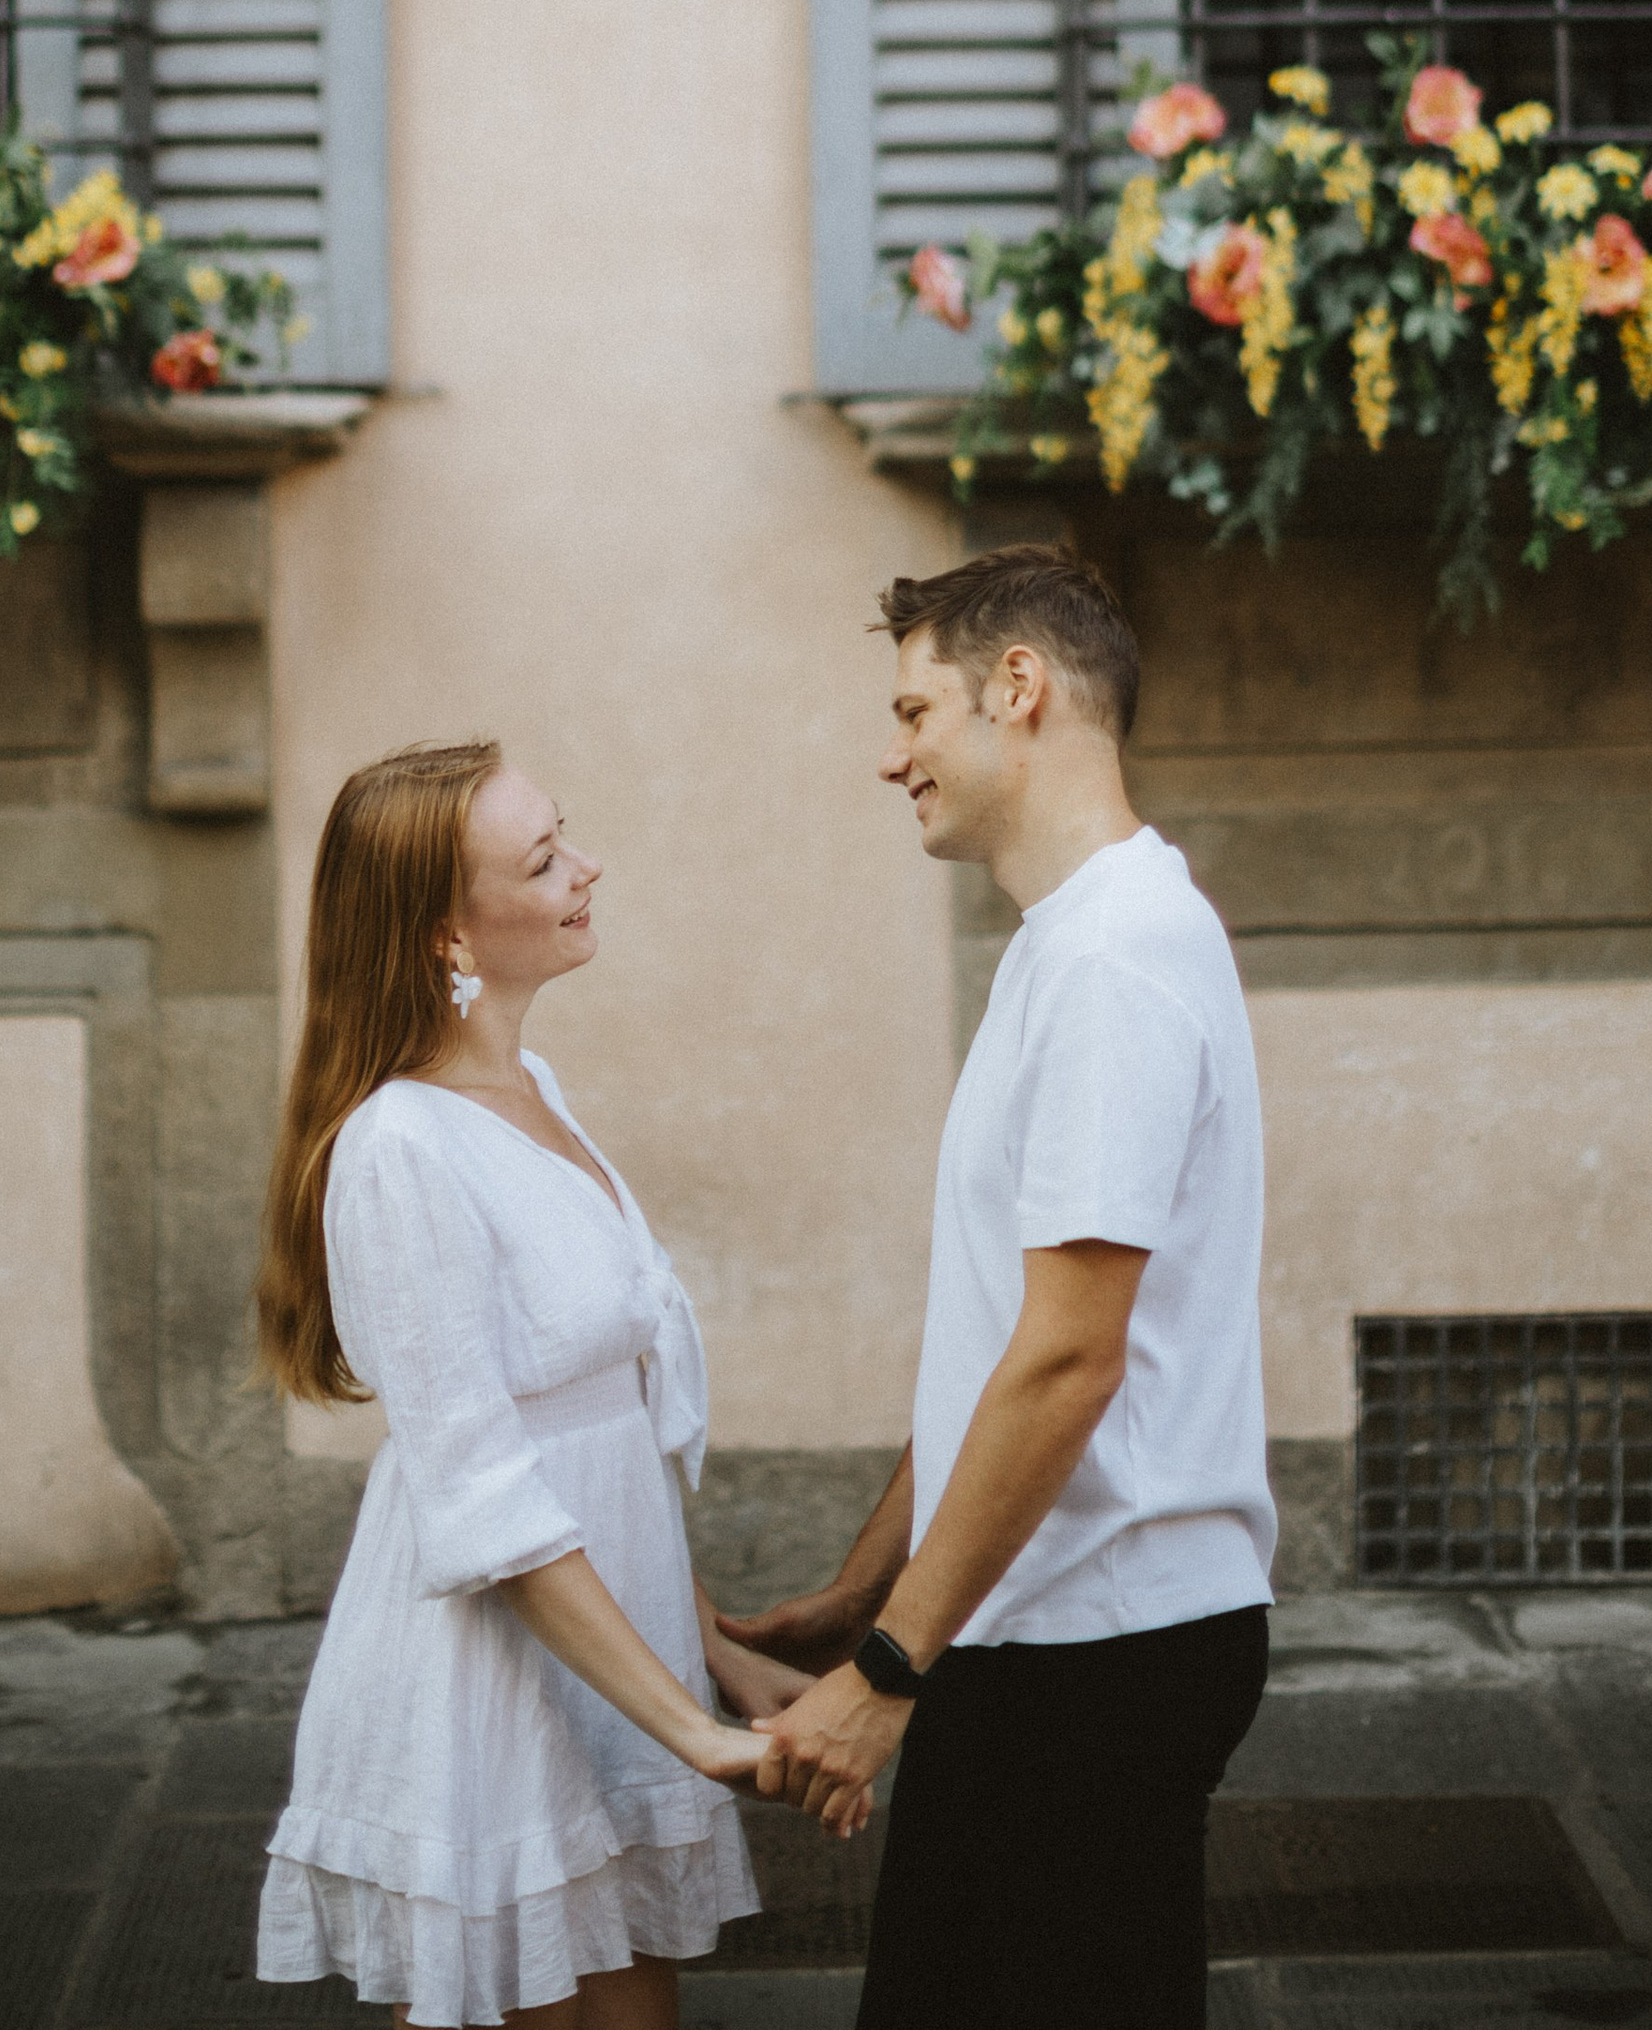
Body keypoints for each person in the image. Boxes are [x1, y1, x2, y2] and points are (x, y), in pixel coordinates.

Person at [719, 544, 1275, 2028]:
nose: (889, 754)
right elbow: (1006, 1341)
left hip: (1098, 1649)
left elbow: (1070, 1362)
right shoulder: (1069, 945)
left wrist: (886, 1668)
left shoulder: (1114, 962)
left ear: (1017, 689)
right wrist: (863, 1595)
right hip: (1032, 1632)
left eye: (913, 711)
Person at [253, 736, 819, 2030]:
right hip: (495, 1690)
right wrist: (698, 1733)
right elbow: (489, 1497)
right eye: (545, 857)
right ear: (446, 936)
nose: (589, 866)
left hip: (614, 1660)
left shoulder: (533, 1088)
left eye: (565, 835)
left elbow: (605, 1422)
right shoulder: (400, 1148)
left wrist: (717, 1650)